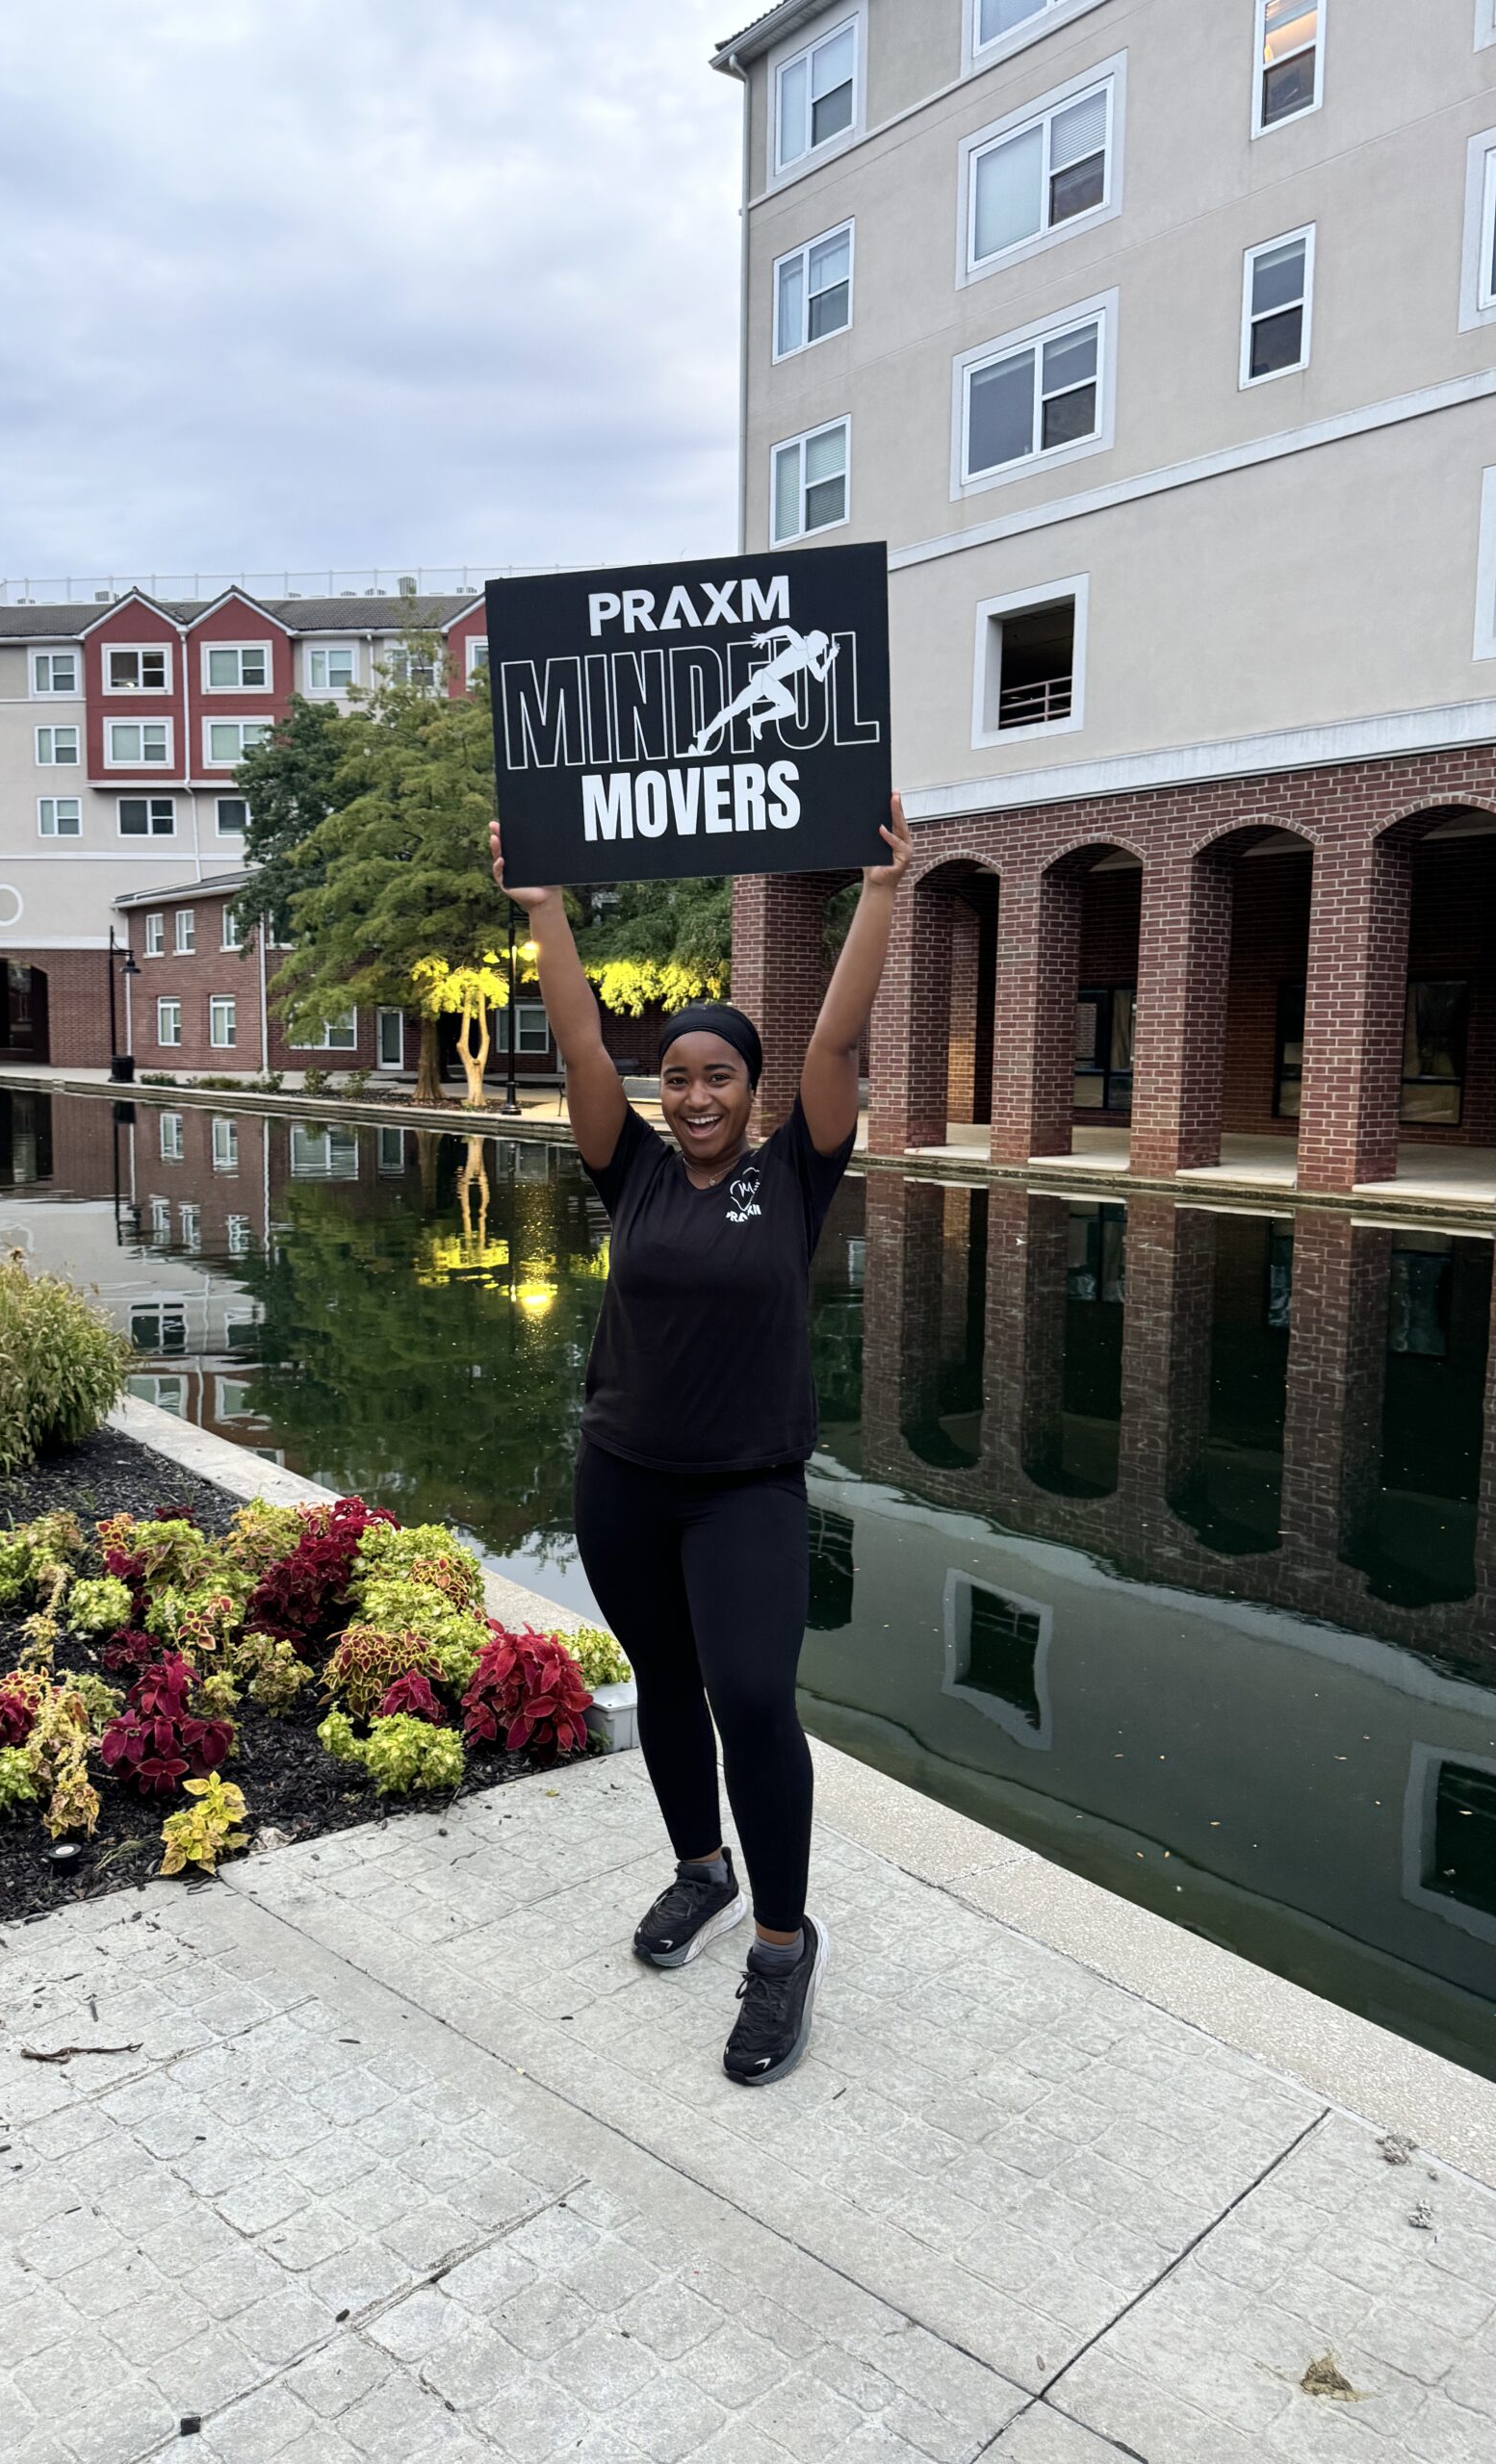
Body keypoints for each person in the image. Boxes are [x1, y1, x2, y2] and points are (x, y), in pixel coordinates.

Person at [490, 798, 912, 2086]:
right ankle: (702, 1871)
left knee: (755, 1700)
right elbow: (578, 1041)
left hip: (745, 1493)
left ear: (752, 1088)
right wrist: (546, 912)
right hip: (622, 1479)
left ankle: (782, 1947)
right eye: (677, 1076)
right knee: (665, 1684)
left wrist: (880, 891)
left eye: (717, 1074)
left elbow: (836, 1035)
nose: (695, 1095)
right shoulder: (631, 1168)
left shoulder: (795, 1173)